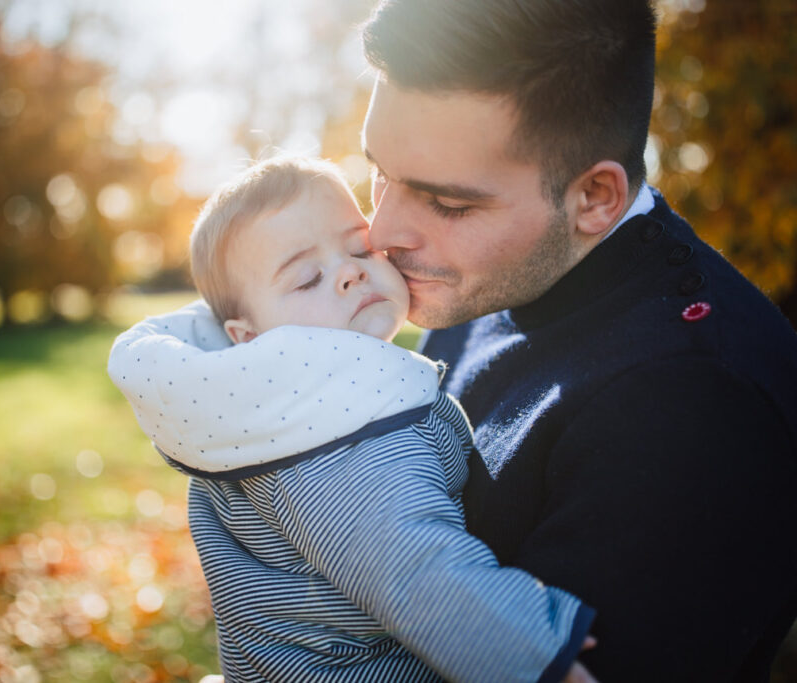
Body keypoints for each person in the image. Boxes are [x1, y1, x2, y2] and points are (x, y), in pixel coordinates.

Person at [358, 0, 797, 680]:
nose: (381, 232)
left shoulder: (693, 407)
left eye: (446, 203)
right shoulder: (497, 278)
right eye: (378, 173)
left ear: (596, 196)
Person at [110, 157, 596, 682]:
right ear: (248, 338)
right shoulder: (329, 435)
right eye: (307, 278)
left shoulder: (270, 415)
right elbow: (414, 570)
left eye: (360, 247)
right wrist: (535, 651)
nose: (349, 271)